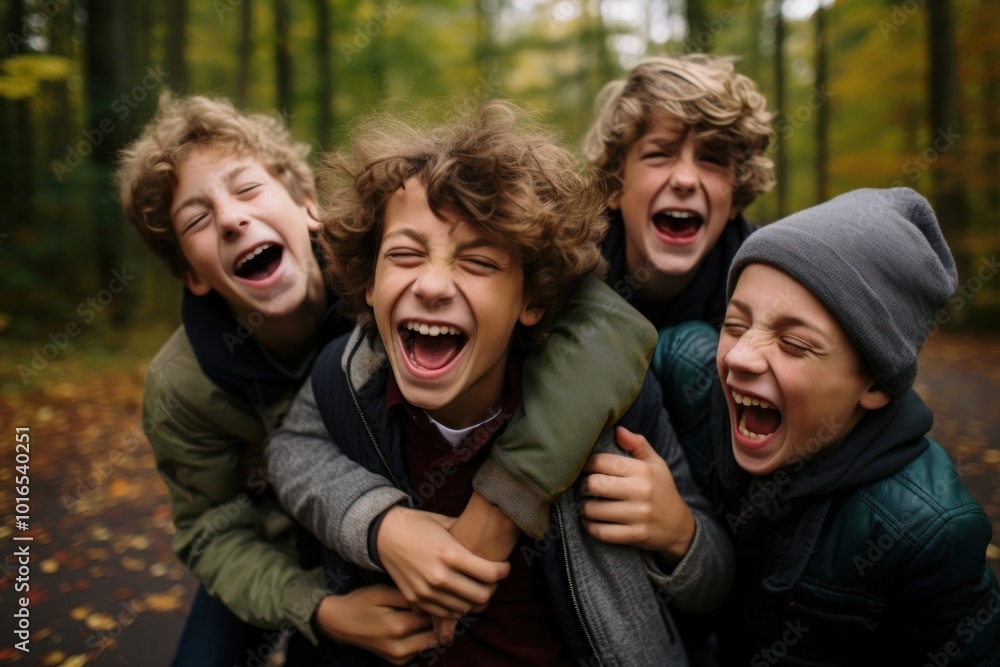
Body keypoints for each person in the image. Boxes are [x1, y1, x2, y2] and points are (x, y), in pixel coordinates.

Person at [116, 93, 658, 664]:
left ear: (307, 204)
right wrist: (325, 605)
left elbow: (603, 323)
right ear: (189, 274)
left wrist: (505, 499)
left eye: (247, 189)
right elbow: (211, 532)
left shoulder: (394, 264)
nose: (231, 218)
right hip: (282, 560)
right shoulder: (182, 388)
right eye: (197, 219)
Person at [269, 100, 734, 665]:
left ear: (532, 299)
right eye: (406, 255)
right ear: (369, 284)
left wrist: (677, 532)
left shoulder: (613, 414)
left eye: (479, 262)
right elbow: (291, 450)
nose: (433, 285)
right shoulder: (344, 380)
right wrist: (378, 525)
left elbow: (714, 583)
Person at [657, 187, 1000, 665]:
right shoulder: (688, 371)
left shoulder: (928, 533)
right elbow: (601, 337)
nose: (739, 356)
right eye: (735, 324)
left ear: (875, 384)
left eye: (794, 343)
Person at [582, 53, 774, 330]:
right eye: (658, 154)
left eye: (712, 159)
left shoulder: (774, 292)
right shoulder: (559, 282)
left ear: (736, 197)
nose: (686, 179)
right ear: (614, 188)